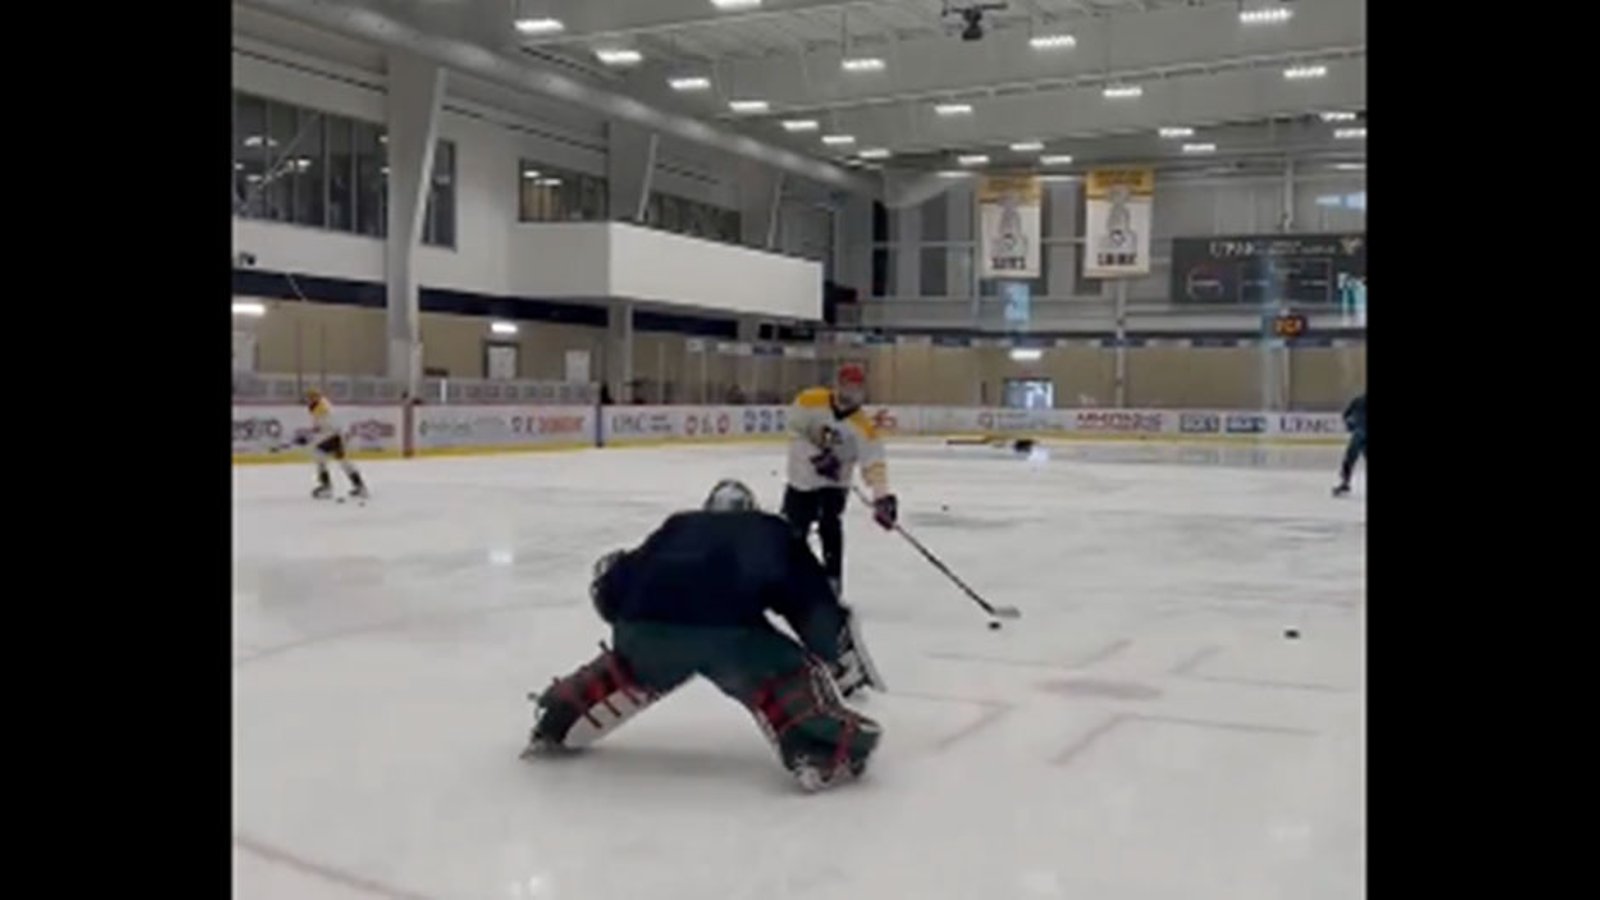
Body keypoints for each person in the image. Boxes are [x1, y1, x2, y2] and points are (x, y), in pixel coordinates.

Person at [522, 480, 881, 792]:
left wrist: (634, 636)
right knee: (786, 673)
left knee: (629, 666)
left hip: (645, 629)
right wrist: (829, 653)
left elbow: (611, 589)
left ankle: (560, 715)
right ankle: (819, 746)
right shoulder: (768, 529)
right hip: (730, 638)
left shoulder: (677, 526)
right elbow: (808, 599)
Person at [783, 363, 898, 598]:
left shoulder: (863, 426)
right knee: (793, 530)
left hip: (834, 484)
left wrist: (881, 496)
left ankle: (832, 580)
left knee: (830, 525)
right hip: (801, 479)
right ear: (838, 386)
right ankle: (786, 577)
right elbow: (794, 431)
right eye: (849, 387)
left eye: (858, 388)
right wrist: (815, 457)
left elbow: (873, 463)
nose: (853, 394)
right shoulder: (809, 400)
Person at [295, 388, 369, 500]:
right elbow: (320, 428)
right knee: (342, 462)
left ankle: (327, 488)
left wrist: (307, 438)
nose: (309, 399)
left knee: (320, 455)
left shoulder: (321, 407)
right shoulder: (319, 407)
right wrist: (308, 437)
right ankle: (359, 486)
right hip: (336, 436)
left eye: (311, 397)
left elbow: (323, 428)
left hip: (335, 436)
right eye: (309, 397)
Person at [1332, 391, 1366, 497]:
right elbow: (1346, 415)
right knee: (1349, 459)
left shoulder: (1358, 400)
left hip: (1359, 434)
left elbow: (1346, 415)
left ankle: (1345, 483)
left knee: (1349, 459)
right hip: (1359, 434)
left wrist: (1349, 424)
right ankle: (1345, 483)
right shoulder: (1358, 400)